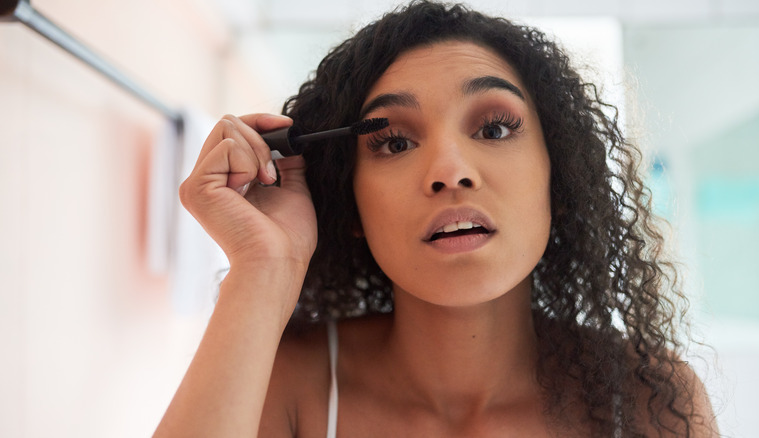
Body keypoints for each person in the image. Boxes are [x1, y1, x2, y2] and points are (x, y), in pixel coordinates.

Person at [153, 1, 718, 436]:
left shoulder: (651, 403)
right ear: (349, 204)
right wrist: (262, 267)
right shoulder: (290, 384)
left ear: (560, 180)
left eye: (494, 129)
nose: (449, 171)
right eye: (395, 142)